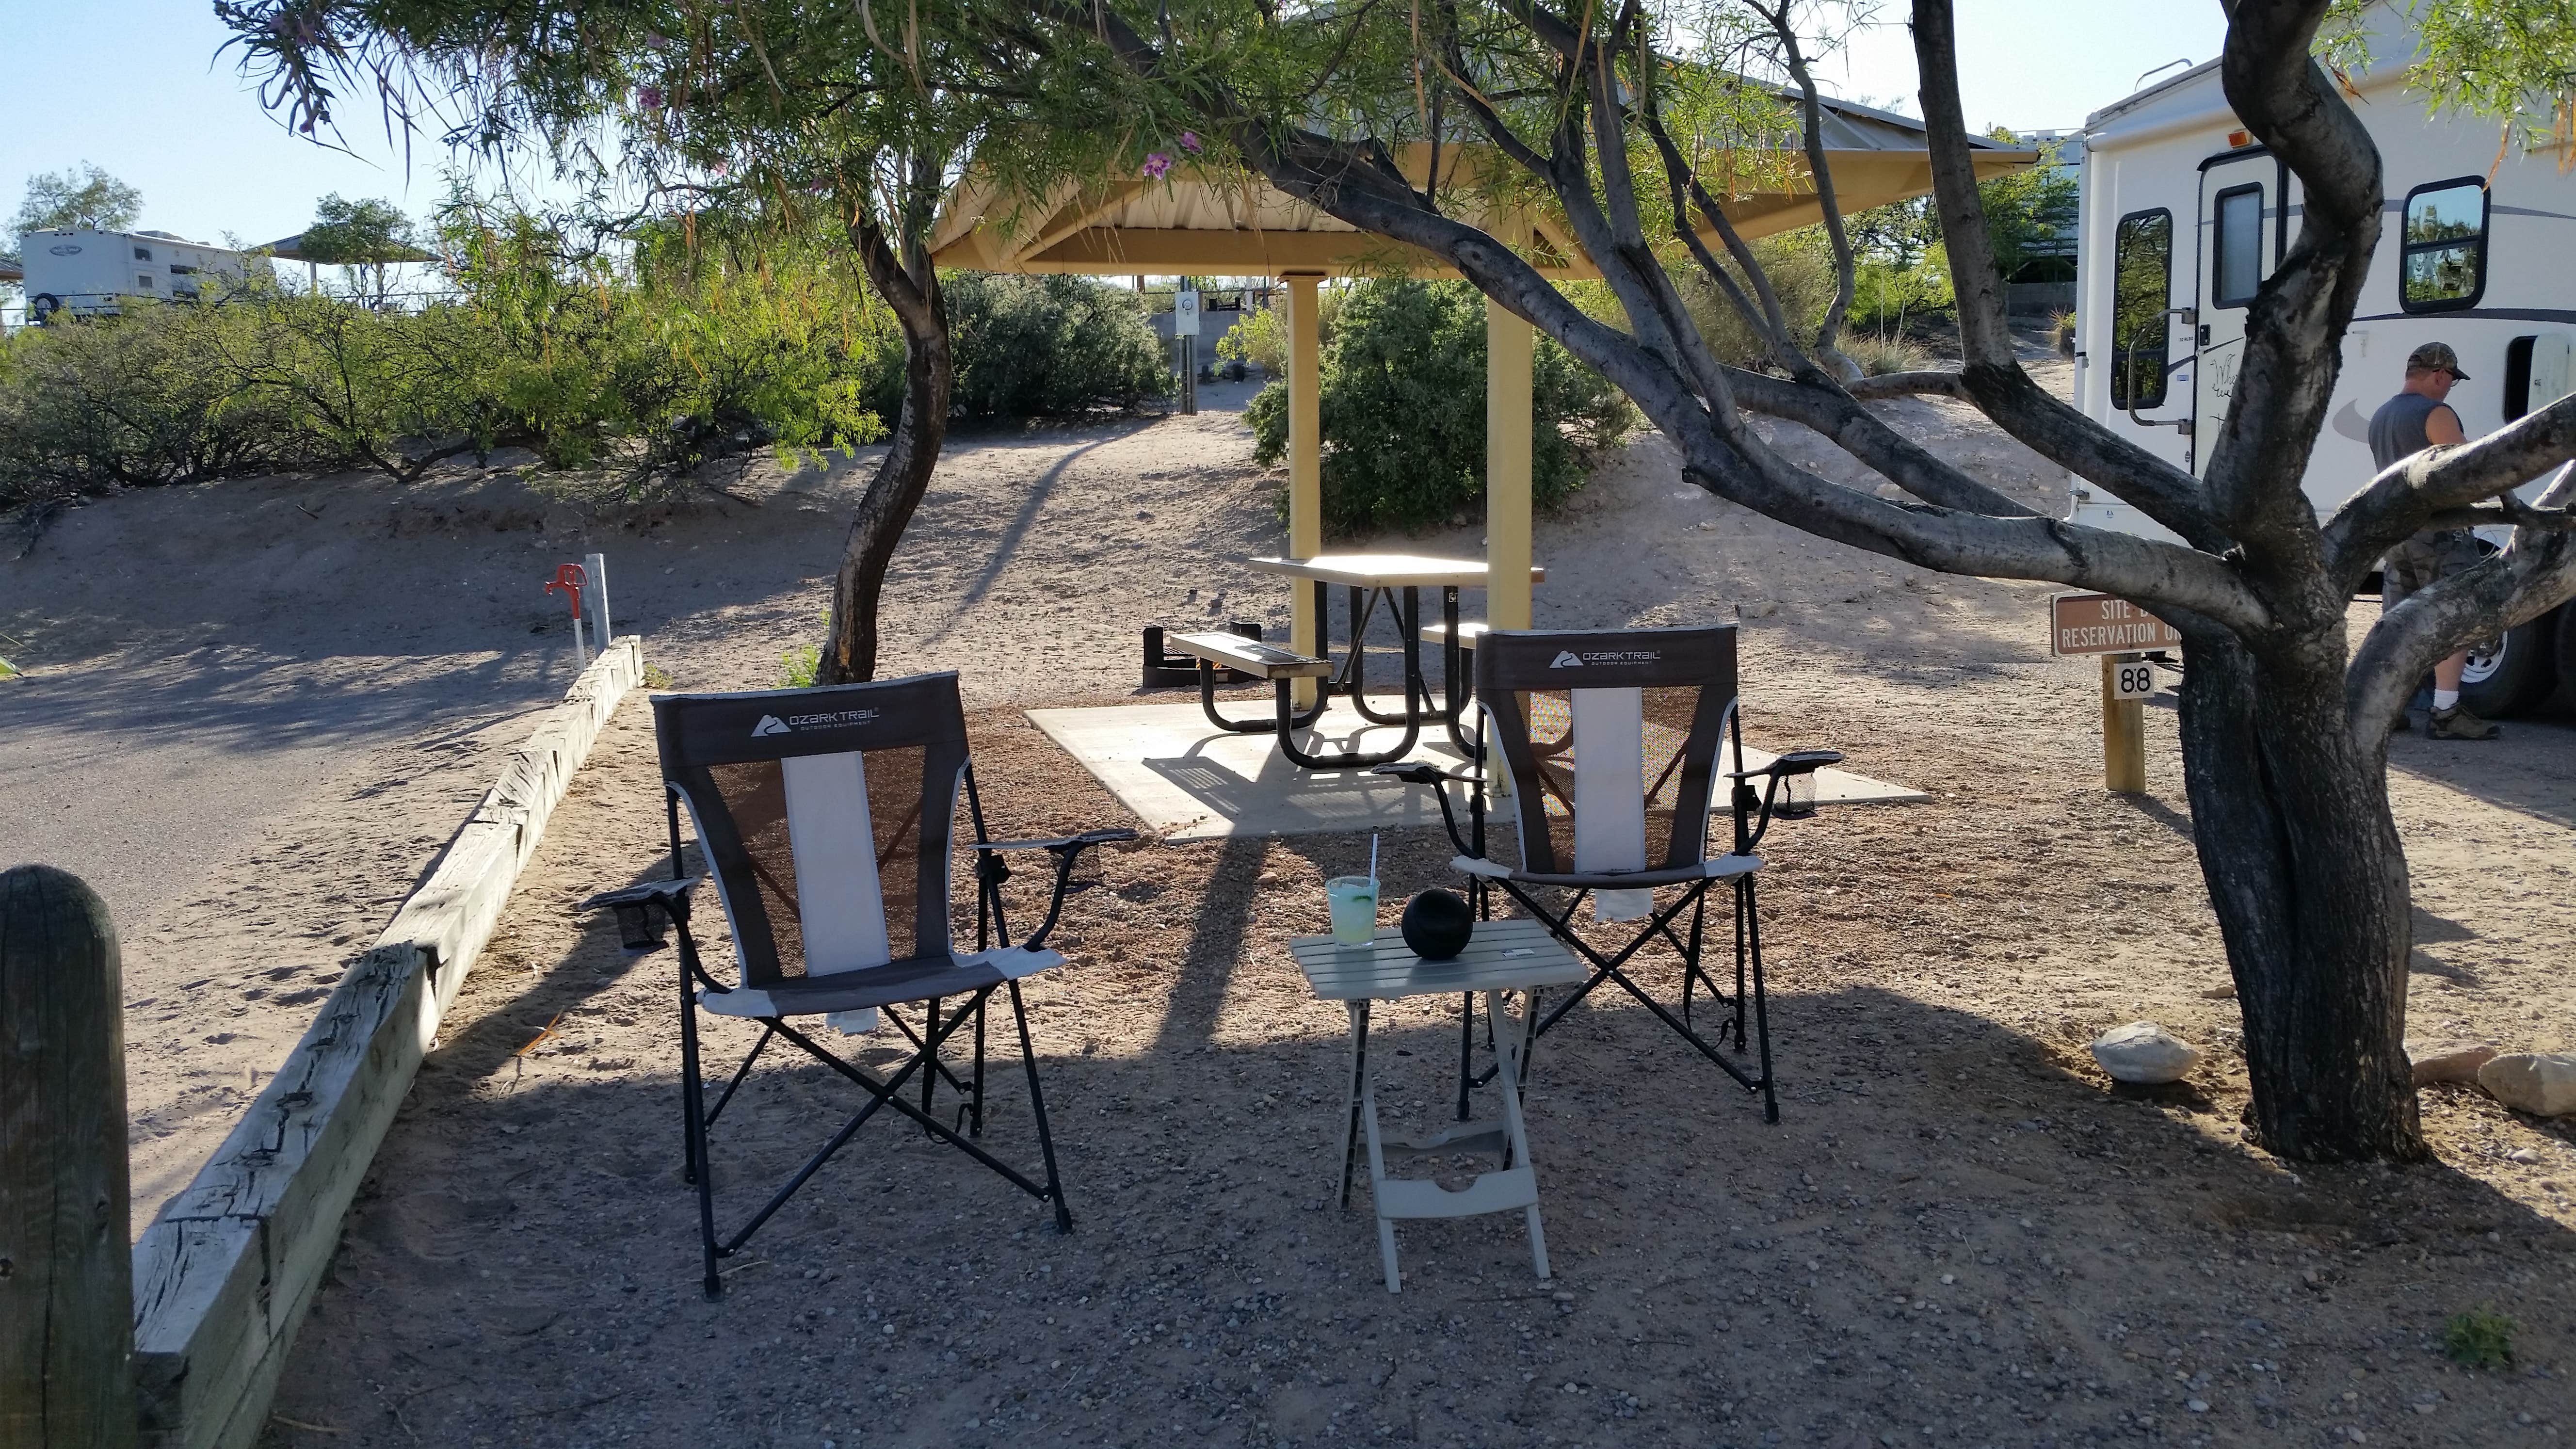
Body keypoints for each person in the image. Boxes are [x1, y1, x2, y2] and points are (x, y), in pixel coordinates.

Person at [2370, 340, 2500, 740]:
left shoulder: (2383, 414)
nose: (2449, 388)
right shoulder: (2435, 413)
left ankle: (2388, 708)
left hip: (2398, 532)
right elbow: (2467, 470)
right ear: (2440, 374)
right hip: (2440, 531)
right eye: (2451, 380)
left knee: (2400, 623)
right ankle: (2446, 712)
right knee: (2456, 615)